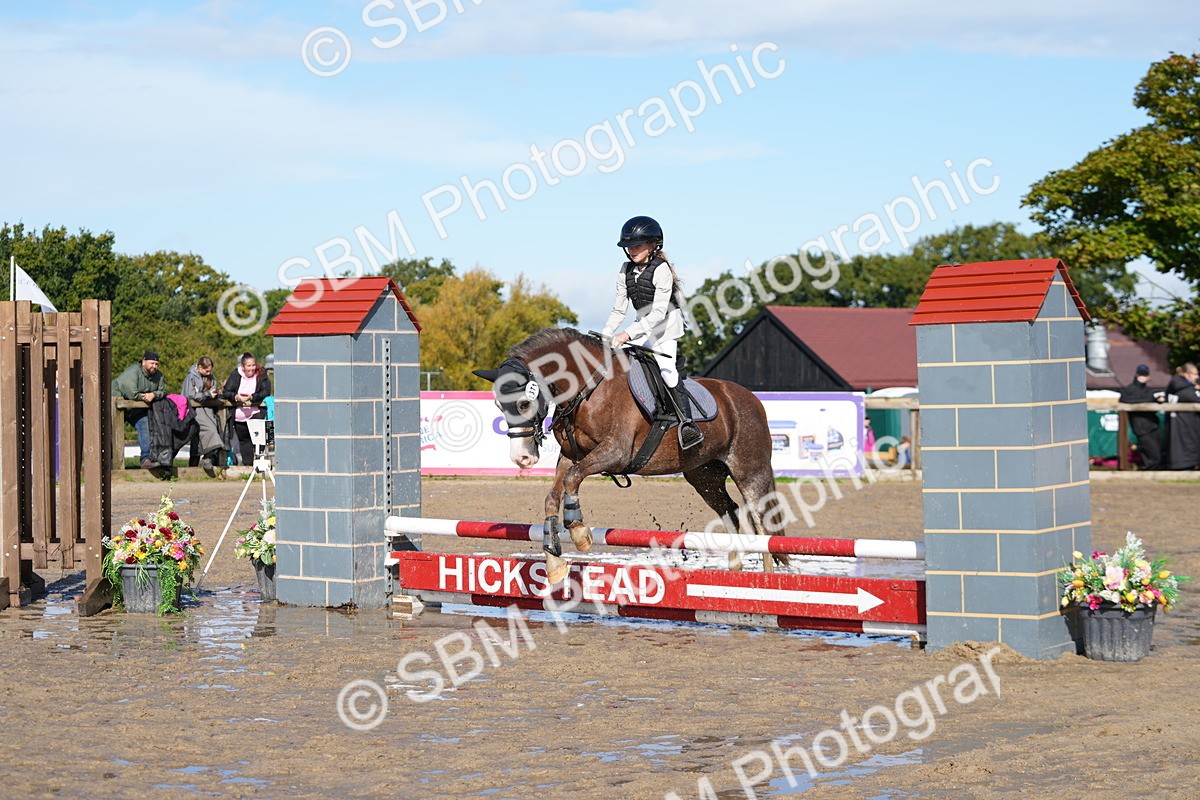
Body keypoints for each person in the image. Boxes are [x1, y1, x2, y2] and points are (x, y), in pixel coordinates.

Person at [601, 215, 703, 449]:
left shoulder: (662, 269)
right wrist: (606, 334)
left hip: (665, 329)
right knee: (616, 362)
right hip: (642, 328)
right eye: (628, 246)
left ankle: (687, 425)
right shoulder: (624, 270)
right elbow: (619, 309)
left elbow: (658, 313)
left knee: (667, 372)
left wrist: (626, 334)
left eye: (637, 245)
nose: (631, 250)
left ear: (652, 245)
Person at [111, 350, 167, 468]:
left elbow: (163, 391)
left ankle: (146, 459)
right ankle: (109, 463)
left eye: (156, 364)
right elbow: (132, 394)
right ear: (143, 361)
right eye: (152, 363)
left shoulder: (159, 375)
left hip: (135, 410)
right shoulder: (132, 372)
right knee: (110, 433)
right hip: (115, 407)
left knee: (145, 426)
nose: (154, 366)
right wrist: (145, 396)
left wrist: (154, 395)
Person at [221, 352, 273, 466]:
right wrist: (236, 396)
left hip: (256, 412)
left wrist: (252, 397)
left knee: (258, 440)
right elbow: (226, 391)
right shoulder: (235, 374)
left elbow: (266, 391)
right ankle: (248, 467)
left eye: (253, 365)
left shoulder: (261, 374)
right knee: (244, 442)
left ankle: (261, 466)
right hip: (239, 415)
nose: (252, 368)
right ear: (243, 366)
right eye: (249, 366)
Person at [182, 356, 226, 475]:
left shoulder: (209, 377)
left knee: (201, 437)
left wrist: (210, 395)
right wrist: (206, 394)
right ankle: (203, 460)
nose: (209, 373)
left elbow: (210, 390)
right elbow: (190, 395)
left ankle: (202, 461)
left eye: (210, 370)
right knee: (209, 431)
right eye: (207, 371)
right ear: (200, 367)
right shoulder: (190, 377)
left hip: (207, 409)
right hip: (194, 411)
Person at [1118, 364, 1164, 470]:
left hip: (1153, 425)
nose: (1143, 377)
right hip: (1141, 427)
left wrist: (1157, 401)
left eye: (1145, 374)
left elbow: (1153, 406)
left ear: (1149, 376)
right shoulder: (1129, 390)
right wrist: (1148, 401)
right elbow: (1124, 401)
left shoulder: (1148, 391)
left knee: (1154, 453)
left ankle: (1149, 472)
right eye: (1141, 374)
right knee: (1153, 454)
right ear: (1136, 375)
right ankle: (1146, 471)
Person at [1165, 362, 1200, 470]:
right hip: (1186, 428)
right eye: (1194, 374)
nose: (1197, 377)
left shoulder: (1174, 387)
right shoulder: (1186, 391)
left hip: (1178, 428)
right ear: (1186, 374)